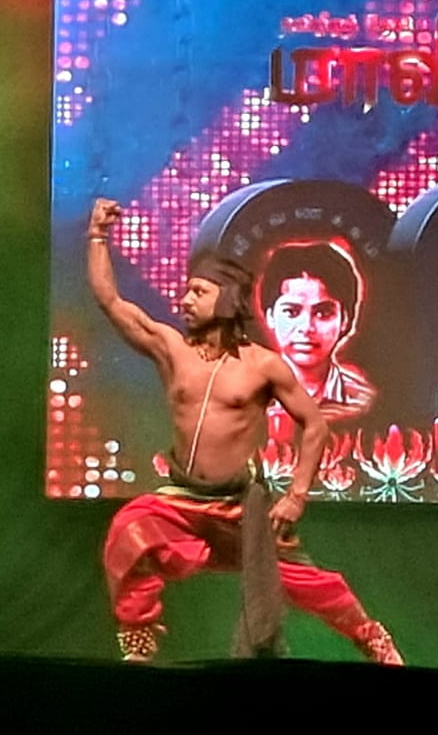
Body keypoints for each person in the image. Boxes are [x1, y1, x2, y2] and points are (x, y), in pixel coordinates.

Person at [88, 198, 401, 665]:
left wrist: (296, 495)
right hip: (182, 498)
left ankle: (371, 638)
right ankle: (138, 640)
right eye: (186, 292)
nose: (185, 301)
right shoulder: (171, 349)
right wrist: (97, 235)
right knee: (128, 531)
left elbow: (315, 425)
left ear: (228, 298)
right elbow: (110, 301)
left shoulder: (263, 365)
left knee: (311, 585)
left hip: (242, 507)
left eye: (198, 292)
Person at [258, 243, 376, 425]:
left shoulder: (365, 403)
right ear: (270, 316)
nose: (306, 327)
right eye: (292, 312)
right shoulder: (245, 397)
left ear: (345, 320)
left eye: (323, 313)